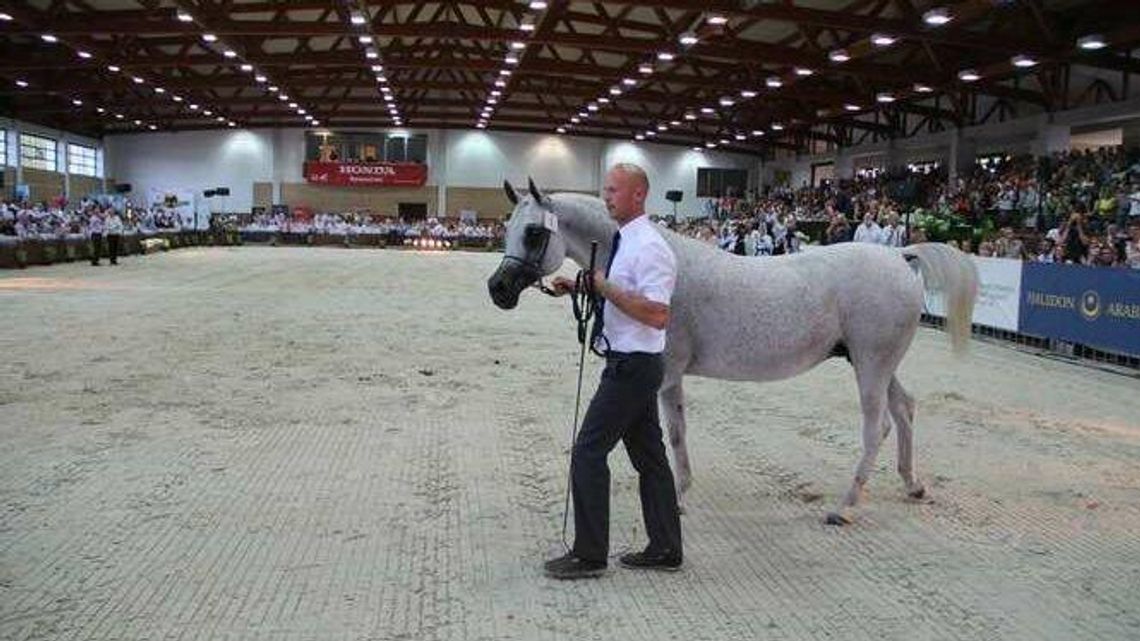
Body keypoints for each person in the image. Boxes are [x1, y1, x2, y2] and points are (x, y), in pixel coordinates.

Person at [545, 162, 683, 580]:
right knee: (651, 460)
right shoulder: (626, 241)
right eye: (605, 190)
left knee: (588, 452)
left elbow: (657, 314)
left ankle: (589, 554)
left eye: (613, 190)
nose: (606, 197)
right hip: (631, 363)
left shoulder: (652, 248)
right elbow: (626, 292)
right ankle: (665, 547)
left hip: (633, 366)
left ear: (638, 195)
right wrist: (583, 285)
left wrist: (603, 288)